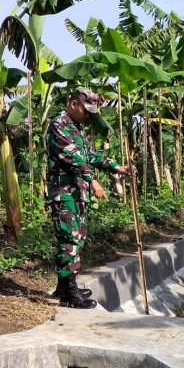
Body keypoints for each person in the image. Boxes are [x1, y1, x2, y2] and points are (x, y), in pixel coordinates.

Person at [46, 87, 135, 309]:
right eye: (86, 110)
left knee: (74, 238)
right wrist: (94, 181)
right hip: (65, 193)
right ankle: (69, 295)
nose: (88, 116)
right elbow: (72, 158)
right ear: (74, 103)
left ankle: (65, 286)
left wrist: (116, 167)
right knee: (70, 240)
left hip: (76, 194)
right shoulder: (59, 125)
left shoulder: (76, 127)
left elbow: (89, 155)